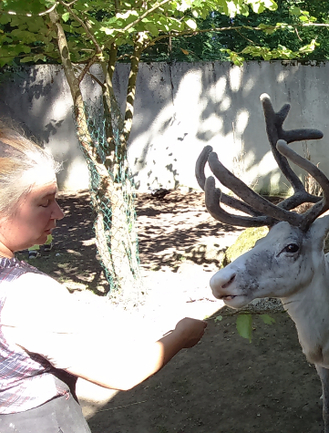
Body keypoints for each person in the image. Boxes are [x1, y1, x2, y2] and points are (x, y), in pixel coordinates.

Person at [0, 123, 208, 432]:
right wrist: (180, 336)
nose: (59, 213)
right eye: (44, 202)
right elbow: (122, 372)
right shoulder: (25, 291)